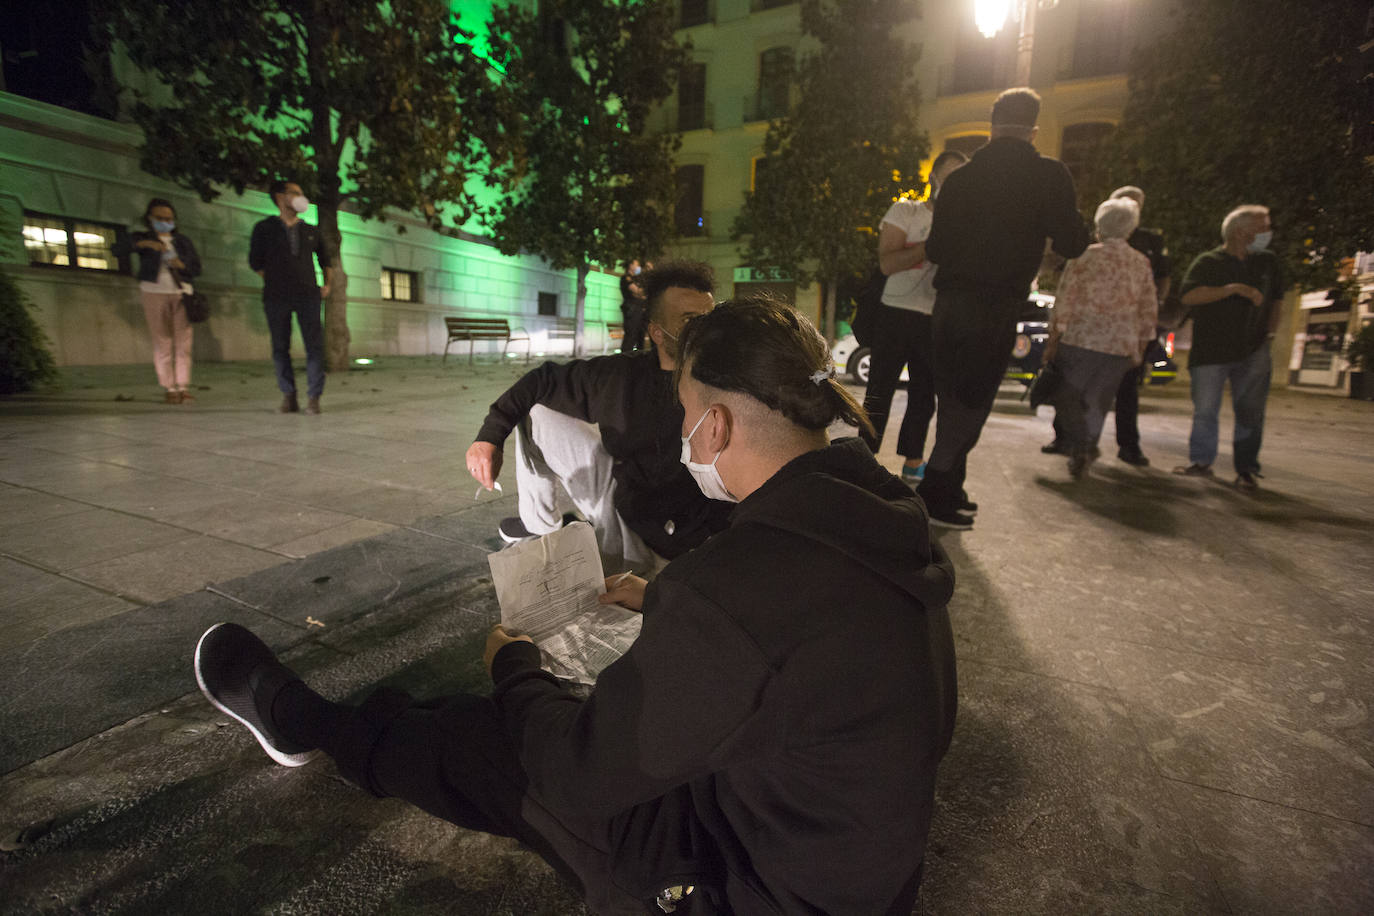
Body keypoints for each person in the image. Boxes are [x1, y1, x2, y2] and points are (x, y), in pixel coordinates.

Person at [192, 295, 957, 915]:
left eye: (686, 414)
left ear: (715, 424)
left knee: (501, 748)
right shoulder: (882, 523)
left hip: (743, 885)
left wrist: (518, 670)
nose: (685, 437)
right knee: (562, 708)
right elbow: (805, 656)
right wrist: (664, 603)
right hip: (845, 867)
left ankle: (303, 722)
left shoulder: (740, 578)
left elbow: (577, 775)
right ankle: (382, 725)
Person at [465, 261, 732, 568]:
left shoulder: (728, 384)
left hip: (680, 542)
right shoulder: (623, 374)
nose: (703, 331)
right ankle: (541, 527)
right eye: (689, 320)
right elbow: (544, 379)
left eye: (709, 319)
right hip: (623, 504)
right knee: (537, 412)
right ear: (657, 333)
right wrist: (489, 437)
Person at [917, 88, 1090, 529]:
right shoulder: (1047, 175)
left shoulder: (960, 180)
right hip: (994, 304)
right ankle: (933, 492)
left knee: (953, 399)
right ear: (1033, 130)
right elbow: (1073, 242)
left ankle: (949, 487)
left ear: (992, 128)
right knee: (972, 402)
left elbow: (935, 248)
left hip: (950, 304)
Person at [1043, 185, 1171, 465]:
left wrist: (1054, 338)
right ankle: (1085, 444)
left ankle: (1077, 442)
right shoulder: (1140, 262)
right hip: (1118, 347)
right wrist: (1141, 344)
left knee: (1069, 395)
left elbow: (1065, 299)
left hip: (1079, 340)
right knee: (1098, 401)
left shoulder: (1084, 257)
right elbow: (1148, 307)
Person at [861, 149, 968, 483]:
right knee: (880, 388)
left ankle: (913, 464)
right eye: (948, 175)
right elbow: (887, 263)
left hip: (936, 317)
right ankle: (864, 459)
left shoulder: (968, 224)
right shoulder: (905, 211)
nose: (952, 183)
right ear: (933, 177)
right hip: (895, 312)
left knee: (925, 394)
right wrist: (933, 244)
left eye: (960, 177)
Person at [1172, 205, 1285, 491]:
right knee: (1206, 409)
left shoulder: (1267, 262)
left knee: (1250, 411)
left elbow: (1277, 300)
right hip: (1211, 351)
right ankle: (1201, 462)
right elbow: (1190, 295)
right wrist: (1232, 289)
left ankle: (1246, 469)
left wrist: (1270, 334)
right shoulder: (1209, 262)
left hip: (1254, 349)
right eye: (1262, 227)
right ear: (1240, 230)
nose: (1267, 233)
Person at [249, 179, 333, 414]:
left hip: (308, 295)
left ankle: (314, 397)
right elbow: (255, 261)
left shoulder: (310, 231)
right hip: (277, 296)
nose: (300, 196)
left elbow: (326, 260)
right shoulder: (264, 228)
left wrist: (326, 285)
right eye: (295, 192)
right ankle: (289, 395)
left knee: (314, 346)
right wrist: (277, 279)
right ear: (279, 197)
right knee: (280, 346)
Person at [113, 199, 203, 404]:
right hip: (154, 292)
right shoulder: (142, 238)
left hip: (182, 293)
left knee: (184, 342)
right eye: (160, 218)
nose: (165, 222)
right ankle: (169, 387)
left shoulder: (182, 241)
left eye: (169, 219)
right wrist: (143, 244)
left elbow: (196, 268)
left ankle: (183, 386)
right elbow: (118, 249)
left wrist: (181, 264)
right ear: (150, 219)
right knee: (162, 341)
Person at [618, 259, 646, 351]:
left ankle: (639, 360)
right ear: (630, 265)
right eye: (636, 264)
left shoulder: (637, 279)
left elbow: (641, 294)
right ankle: (624, 361)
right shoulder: (626, 278)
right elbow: (637, 291)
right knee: (631, 336)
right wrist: (640, 293)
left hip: (640, 310)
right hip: (632, 310)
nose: (638, 267)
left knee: (640, 336)